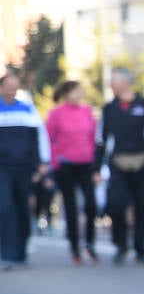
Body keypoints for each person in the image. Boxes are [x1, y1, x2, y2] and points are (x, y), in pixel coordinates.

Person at [96, 68, 144, 265]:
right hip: (118, 163)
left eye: (114, 81)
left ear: (126, 82)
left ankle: (140, 247)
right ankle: (120, 245)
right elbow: (101, 140)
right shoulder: (109, 109)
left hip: (143, 162)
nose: (111, 85)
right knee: (116, 204)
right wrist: (96, 168)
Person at [0, 72, 50, 270]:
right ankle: (7, 253)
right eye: (8, 85)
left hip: (24, 168)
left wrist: (43, 163)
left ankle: (20, 253)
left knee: (22, 208)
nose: (11, 89)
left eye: (15, 85)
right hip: (2, 169)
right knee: (5, 207)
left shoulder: (27, 109)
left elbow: (40, 137)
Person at [46, 81, 100, 265]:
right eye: (76, 91)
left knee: (91, 205)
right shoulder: (56, 114)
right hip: (65, 165)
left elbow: (94, 138)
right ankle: (75, 249)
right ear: (67, 94)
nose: (80, 95)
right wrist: (54, 163)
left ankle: (90, 244)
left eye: (81, 91)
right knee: (71, 207)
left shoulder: (87, 112)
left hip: (86, 164)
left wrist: (96, 165)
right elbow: (49, 139)